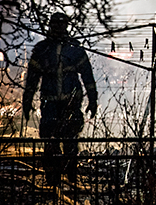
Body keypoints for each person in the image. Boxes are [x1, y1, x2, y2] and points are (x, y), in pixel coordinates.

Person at [22, 12, 98, 187]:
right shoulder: (43, 50)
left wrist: (93, 100)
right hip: (50, 103)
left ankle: (70, 173)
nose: (58, 28)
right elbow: (32, 80)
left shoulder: (71, 49)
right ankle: (53, 177)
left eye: (60, 24)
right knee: (51, 141)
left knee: (70, 140)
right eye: (55, 24)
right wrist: (27, 101)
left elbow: (88, 77)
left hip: (70, 103)